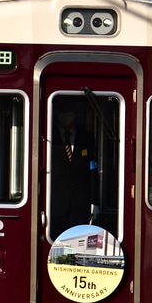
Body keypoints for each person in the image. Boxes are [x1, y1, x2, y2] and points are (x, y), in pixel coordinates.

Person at [49, 99, 98, 235]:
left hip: (80, 204)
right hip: (54, 204)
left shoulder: (86, 137)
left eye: (69, 110)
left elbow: (92, 169)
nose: (66, 114)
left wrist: (95, 201)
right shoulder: (48, 136)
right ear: (57, 113)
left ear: (75, 113)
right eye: (63, 111)